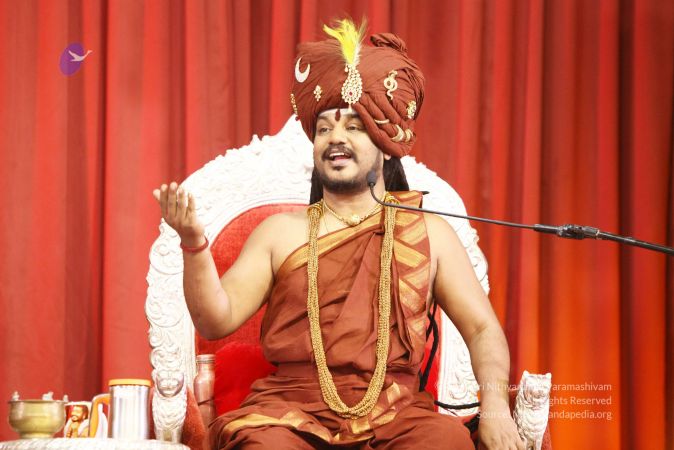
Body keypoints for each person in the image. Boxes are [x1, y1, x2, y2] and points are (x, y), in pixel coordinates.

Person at [153, 19, 524, 450]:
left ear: (386, 143)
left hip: (398, 415)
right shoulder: (279, 233)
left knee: (446, 442)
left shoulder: (429, 233)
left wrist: (495, 411)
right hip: (288, 414)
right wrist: (194, 244)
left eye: (354, 126)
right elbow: (215, 320)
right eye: (325, 128)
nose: (335, 138)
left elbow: (482, 329)